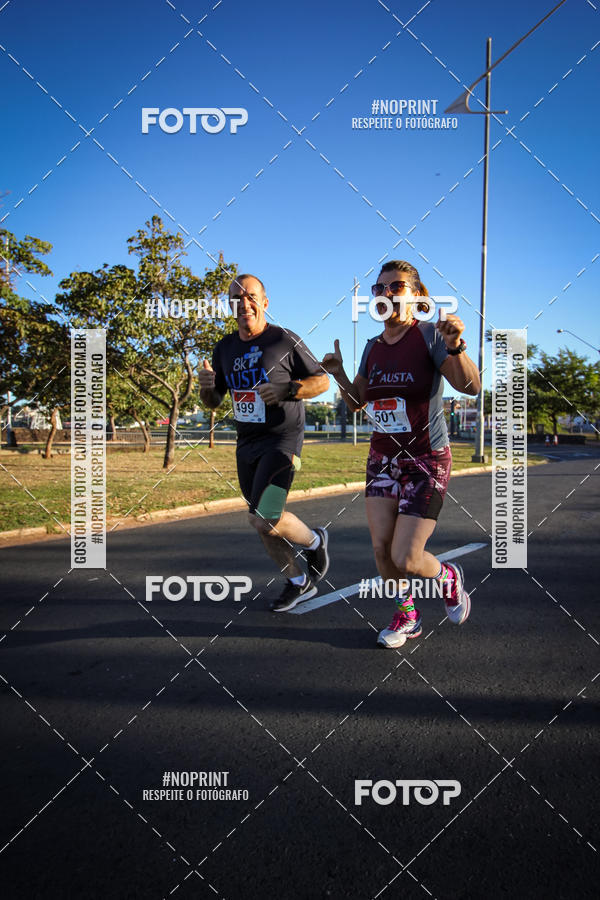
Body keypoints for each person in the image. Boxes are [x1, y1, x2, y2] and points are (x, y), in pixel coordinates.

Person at [321, 260, 481, 648]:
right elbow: (358, 402)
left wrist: (456, 345)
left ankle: (448, 578)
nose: (386, 294)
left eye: (395, 287)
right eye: (379, 288)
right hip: (382, 458)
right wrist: (339, 374)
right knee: (381, 550)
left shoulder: (429, 335)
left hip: (426, 458)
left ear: (416, 295)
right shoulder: (372, 347)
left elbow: (471, 386)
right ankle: (407, 615)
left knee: (407, 556)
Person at [199, 273, 331, 611]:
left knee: (263, 517)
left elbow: (321, 382)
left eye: (251, 296)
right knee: (262, 520)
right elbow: (214, 401)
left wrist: (287, 390)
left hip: (283, 440)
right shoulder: (224, 347)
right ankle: (298, 581)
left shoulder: (283, 340)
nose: (244, 303)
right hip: (247, 443)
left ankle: (316, 541)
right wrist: (205, 386)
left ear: (264, 302)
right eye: (236, 298)